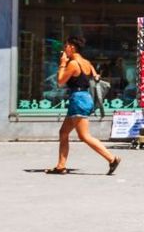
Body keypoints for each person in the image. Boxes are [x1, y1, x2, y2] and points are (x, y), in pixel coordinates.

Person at [49, 36, 119, 176]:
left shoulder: (73, 64)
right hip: (84, 98)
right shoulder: (87, 63)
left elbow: (60, 81)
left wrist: (62, 63)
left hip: (78, 99)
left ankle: (111, 158)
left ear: (72, 47)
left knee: (84, 136)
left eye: (66, 46)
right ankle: (61, 166)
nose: (64, 49)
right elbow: (95, 76)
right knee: (63, 133)